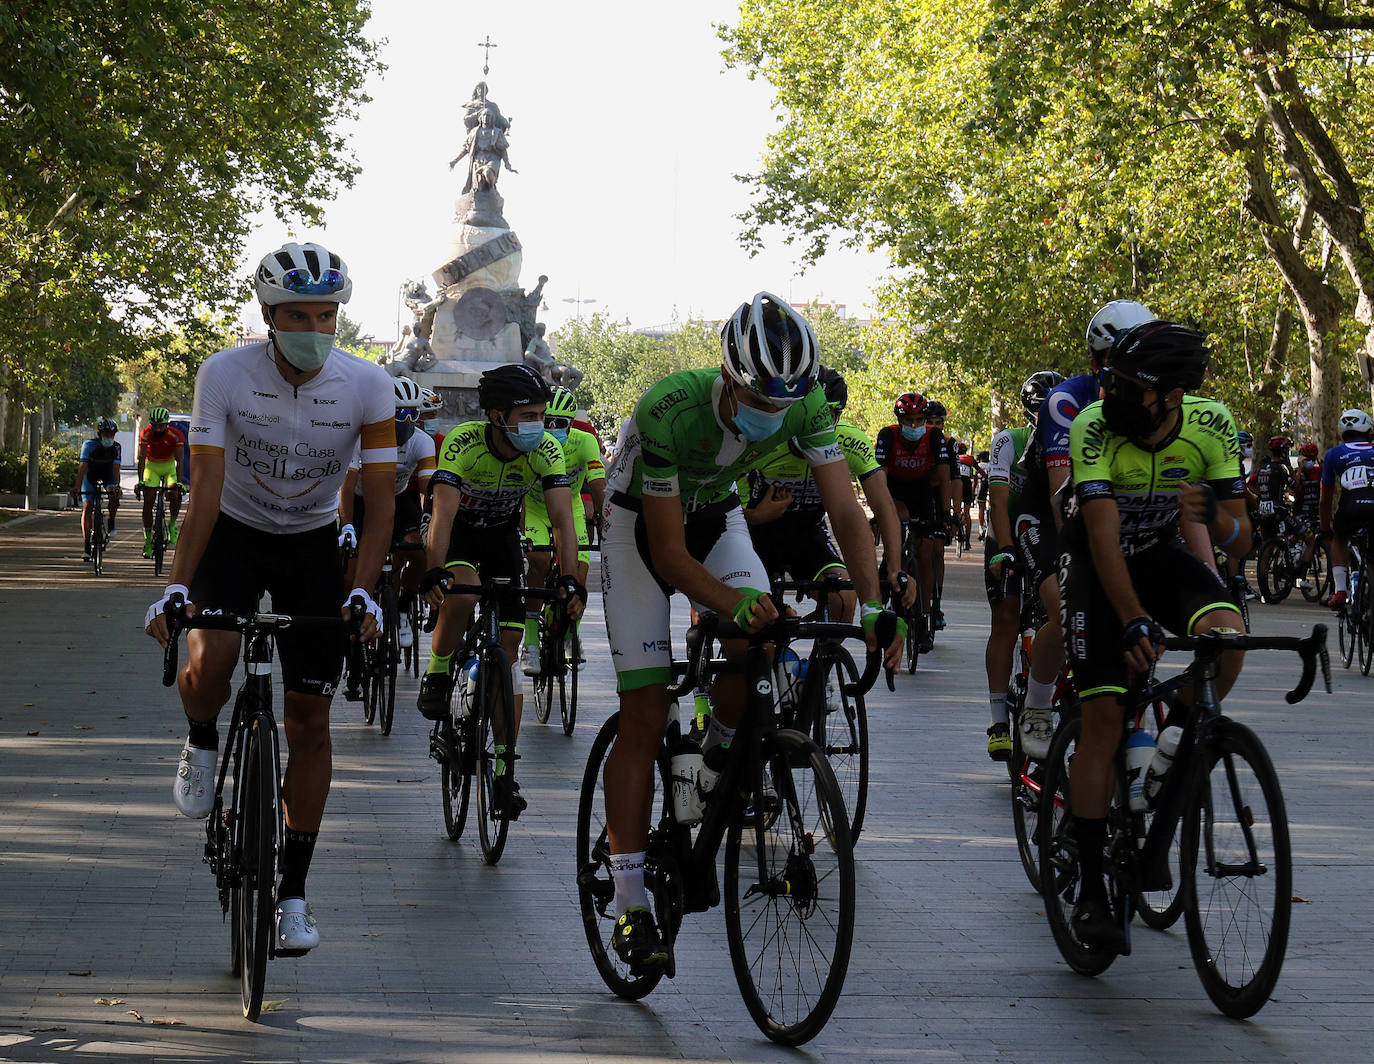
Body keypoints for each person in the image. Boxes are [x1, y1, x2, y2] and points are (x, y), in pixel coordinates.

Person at [598, 292, 903, 974]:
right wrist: (728, 606)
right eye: (761, 403)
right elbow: (671, 554)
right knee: (646, 712)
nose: (775, 417)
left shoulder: (807, 403)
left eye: (784, 406)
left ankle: (714, 762)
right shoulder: (668, 408)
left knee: (759, 644)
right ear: (729, 381)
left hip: (721, 514)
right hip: (639, 529)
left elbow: (846, 512)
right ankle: (629, 900)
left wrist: (878, 603)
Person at [143, 241, 397, 955]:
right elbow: (205, 489)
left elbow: (379, 507)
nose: (315, 329)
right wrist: (176, 586)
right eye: (299, 315)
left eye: (328, 315)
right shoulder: (223, 373)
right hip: (235, 531)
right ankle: (200, 738)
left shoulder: (368, 385)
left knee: (310, 721)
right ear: (268, 314)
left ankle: (292, 894)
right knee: (211, 657)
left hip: (313, 541)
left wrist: (365, 594)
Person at [1059, 320, 1249, 949]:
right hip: (1096, 564)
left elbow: (1239, 536)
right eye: (1111, 379)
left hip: (1161, 553)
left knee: (1228, 640)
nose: (1111, 393)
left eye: (1129, 386)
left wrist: (1215, 515)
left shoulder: (1212, 425)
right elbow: (1104, 541)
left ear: (1172, 396)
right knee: (1106, 718)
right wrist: (1134, 617)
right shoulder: (1094, 427)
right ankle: (1089, 886)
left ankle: (1169, 754)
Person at [417, 364, 585, 818]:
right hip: (459, 536)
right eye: (527, 415)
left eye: (541, 413)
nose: (538, 424)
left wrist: (570, 576)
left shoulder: (546, 450)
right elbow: (443, 517)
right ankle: (437, 668)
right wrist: (435, 570)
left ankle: (504, 772)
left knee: (507, 659)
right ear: (495, 416)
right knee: (465, 592)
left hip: (502, 539)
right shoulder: (464, 444)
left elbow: (564, 521)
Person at [1014, 298, 1156, 760]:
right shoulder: (1066, 402)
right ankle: (1037, 703)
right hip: (1049, 512)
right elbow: (1061, 502)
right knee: (1067, 602)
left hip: (1111, 513)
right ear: (1097, 363)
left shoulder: (1160, 400)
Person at [740, 364, 912, 623]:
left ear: (839, 415)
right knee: (761, 625)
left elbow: (884, 505)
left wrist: (894, 567)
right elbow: (723, 506)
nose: (815, 420)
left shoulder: (848, 440)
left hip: (808, 537)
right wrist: (755, 515)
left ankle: (823, 660)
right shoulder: (765, 437)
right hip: (756, 538)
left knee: (844, 600)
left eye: (828, 412)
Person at [982, 370, 1062, 760]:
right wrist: (1007, 550)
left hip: (1045, 534)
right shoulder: (1008, 442)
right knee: (1007, 618)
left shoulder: (1068, 438)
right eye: (1035, 412)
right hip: (1006, 533)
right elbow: (998, 502)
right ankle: (999, 721)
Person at [337, 375, 437, 679]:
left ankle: (404, 606)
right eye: (399, 413)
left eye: (413, 414)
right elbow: (346, 487)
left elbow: (428, 491)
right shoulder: (359, 438)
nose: (406, 421)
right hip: (359, 501)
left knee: (419, 550)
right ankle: (352, 644)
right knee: (352, 572)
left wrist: (429, 524)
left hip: (397, 498)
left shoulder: (422, 441)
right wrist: (348, 527)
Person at [520, 385, 604, 674]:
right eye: (547, 422)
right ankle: (530, 640)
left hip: (570, 510)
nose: (552, 428)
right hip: (535, 509)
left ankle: (572, 632)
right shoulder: (530, 444)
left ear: (572, 424)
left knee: (580, 569)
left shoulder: (584, 441)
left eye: (561, 424)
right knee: (539, 562)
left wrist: (605, 521)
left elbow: (598, 484)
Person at [875, 391, 953, 651]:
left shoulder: (933, 436)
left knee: (926, 550)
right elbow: (880, 479)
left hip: (923, 490)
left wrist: (946, 515)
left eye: (919, 419)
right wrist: (881, 512)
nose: (914, 425)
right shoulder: (887, 436)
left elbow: (943, 476)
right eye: (908, 420)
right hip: (895, 490)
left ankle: (924, 615)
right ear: (899, 420)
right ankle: (890, 563)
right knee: (898, 520)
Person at [1320, 408, 1374, 609]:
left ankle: (1340, 590)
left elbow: (1326, 498)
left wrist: (1325, 530)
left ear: (1342, 433)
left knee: (1339, 539)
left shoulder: (1334, 454)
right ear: (1369, 430)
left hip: (1350, 507)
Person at [135, 406, 188, 558]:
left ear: (166, 424)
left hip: (169, 466)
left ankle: (172, 524)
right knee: (149, 499)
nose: (157, 429)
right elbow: (142, 459)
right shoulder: (146, 433)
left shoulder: (176, 435)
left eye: (161, 426)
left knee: (174, 493)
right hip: (152, 467)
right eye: (155, 426)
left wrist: (179, 482)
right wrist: (140, 482)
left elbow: (180, 460)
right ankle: (148, 540)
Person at [74, 417, 122, 560]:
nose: (109, 437)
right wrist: (77, 488)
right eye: (107, 434)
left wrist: (117, 488)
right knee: (88, 506)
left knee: (114, 495)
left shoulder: (116, 447)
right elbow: (82, 468)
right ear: (100, 434)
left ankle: (111, 521)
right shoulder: (89, 445)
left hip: (108, 475)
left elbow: (116, 470)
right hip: (91, 476)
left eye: (112, 434)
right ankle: (87, 545)